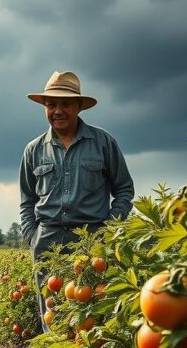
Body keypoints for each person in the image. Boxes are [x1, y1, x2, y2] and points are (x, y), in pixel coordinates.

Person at [18, 70, 135, 331]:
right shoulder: (34, 149)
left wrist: (108, 230)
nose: (57, 110)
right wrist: (32, 235)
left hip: (92, 240)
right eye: (51, 104)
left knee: (93, 311)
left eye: (65, 104)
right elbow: (27, 199)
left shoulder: (103, 142)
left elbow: (124, 189)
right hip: (48, 239)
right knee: (52, 312)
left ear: (79, 106)